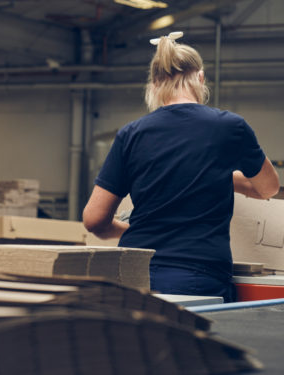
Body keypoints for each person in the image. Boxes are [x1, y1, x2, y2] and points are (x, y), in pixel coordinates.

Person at [82, 32, 279, 302]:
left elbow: (93, 220)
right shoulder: (230, 127)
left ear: (153, 83)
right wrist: (220, 174)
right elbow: (268, 188)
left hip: (134, 273)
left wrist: (132, 231)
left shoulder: (131, 134)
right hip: (197, 275)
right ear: (200, 78)